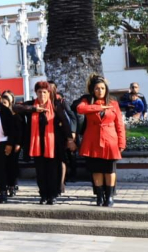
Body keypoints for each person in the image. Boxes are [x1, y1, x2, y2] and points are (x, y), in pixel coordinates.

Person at [16, 81, 77, 205]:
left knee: (53, 171)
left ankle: (52, 195)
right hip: (37, 144)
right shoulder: (31, 105)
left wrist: (70, 139)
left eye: (44, 92)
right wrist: (34, 109)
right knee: (41, 172)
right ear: (36, 93)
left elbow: (65, 122)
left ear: (49, 93)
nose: (42, 95)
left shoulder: (55, 105)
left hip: (53, 144)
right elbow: (15, 107)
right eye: (39, 92)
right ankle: (43, 195)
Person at [77, 75, 126, 207]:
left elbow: (120, 125)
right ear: (93, 90)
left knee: (109, 169)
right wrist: (99, 108)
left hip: (110, 140)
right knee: (96, 169)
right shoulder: (87, 102)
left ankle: (109, 196)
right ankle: (99, 196)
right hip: (92, 140)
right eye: (97, 88)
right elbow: (80, 109)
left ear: (106, 89)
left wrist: (122, 142)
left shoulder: (113, 103)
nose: (100, 91)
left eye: (102, 88)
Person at [0, 91, 22, 197]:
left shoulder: (16, 115)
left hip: (13, 144)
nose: (2, 105)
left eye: (5, 102)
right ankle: (5, 186)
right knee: (3, 167)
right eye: (1, 102)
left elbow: (20, 130)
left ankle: (12, 186)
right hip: (1, 143)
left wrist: (18, 143)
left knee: (12, 166)